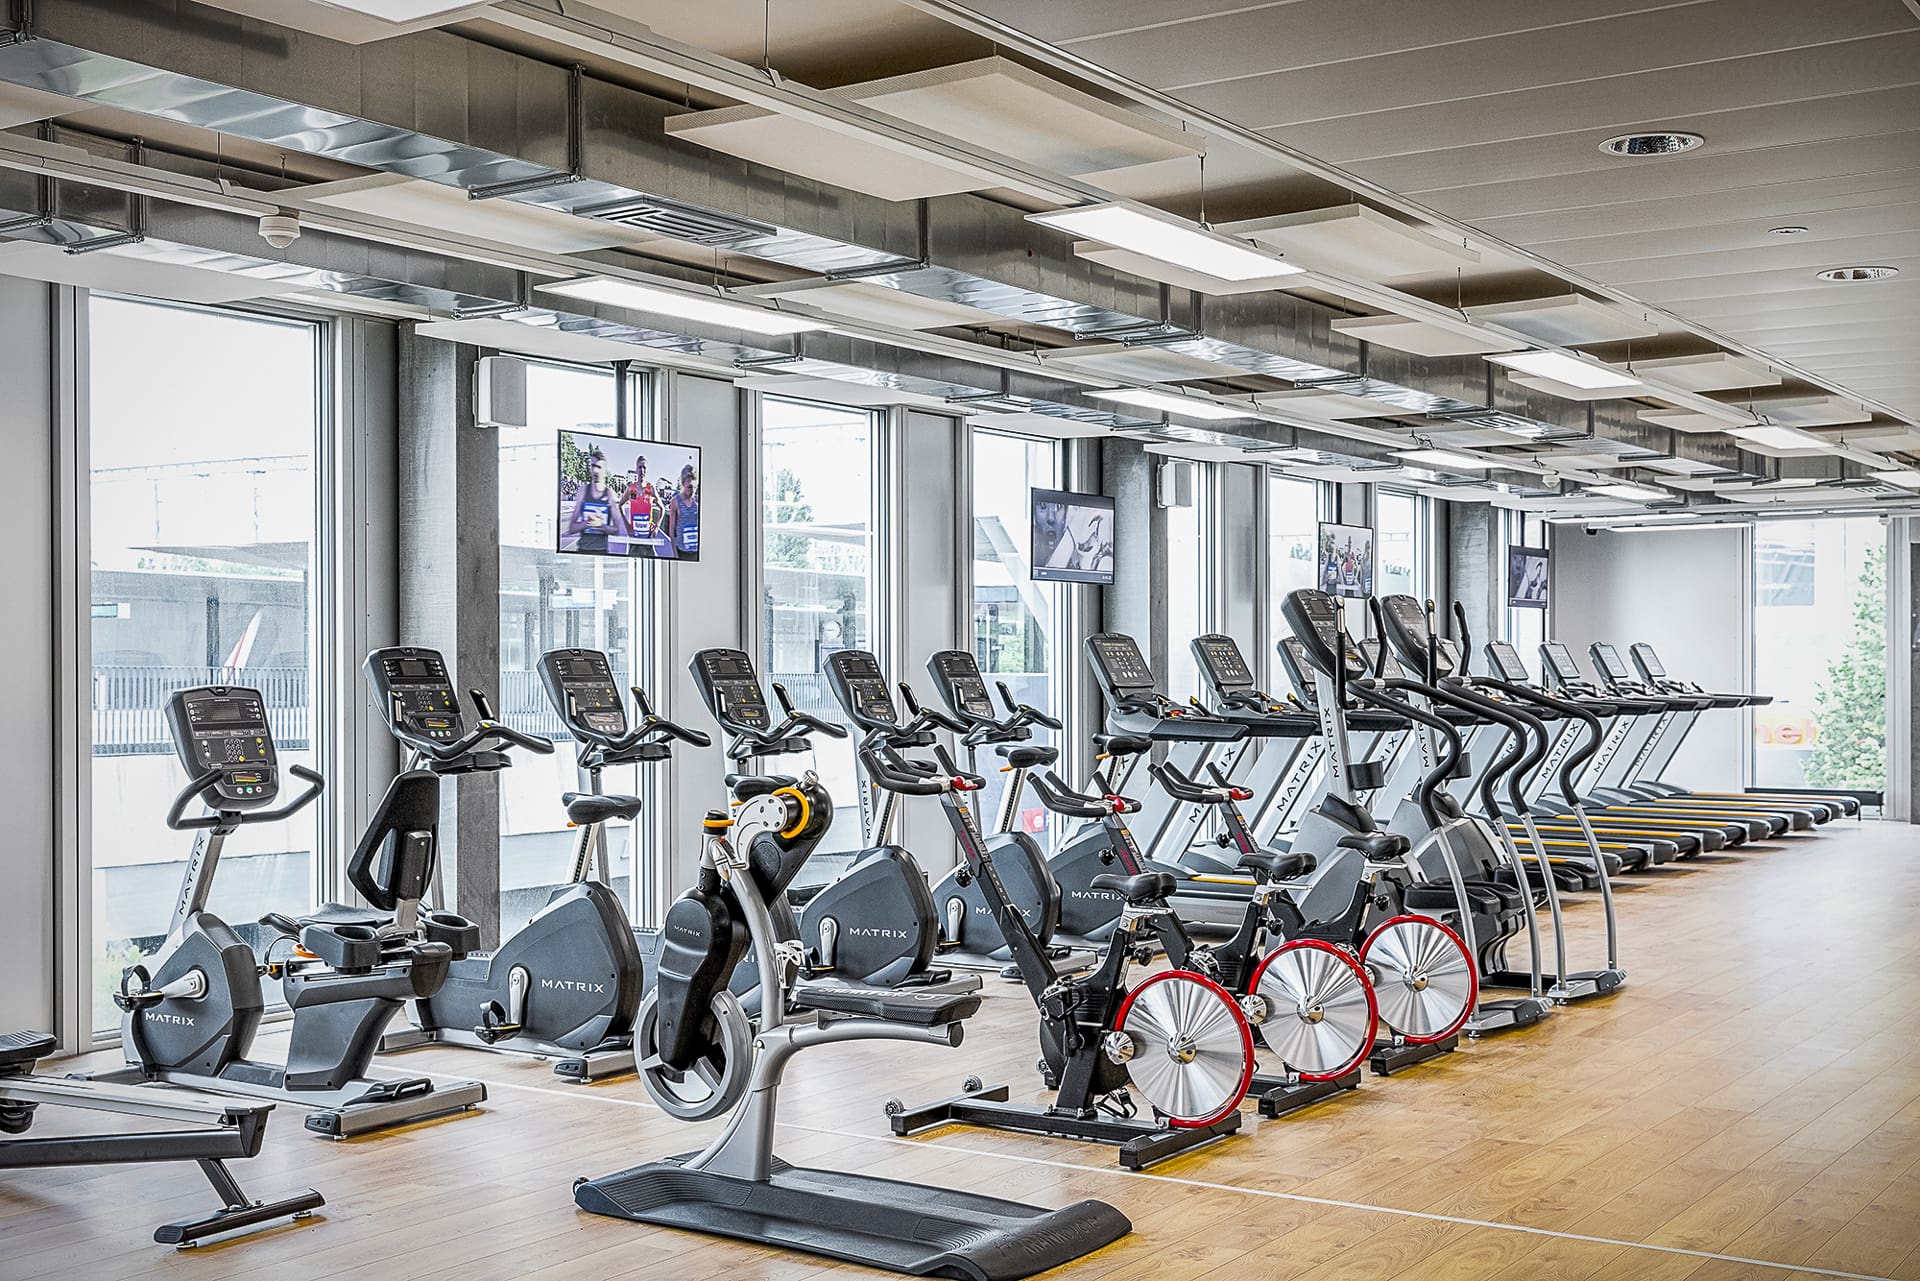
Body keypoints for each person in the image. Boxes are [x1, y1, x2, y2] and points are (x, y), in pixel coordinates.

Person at [564, 444, 630, 554]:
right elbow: (571, 528)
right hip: (582, 550)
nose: (595, 470)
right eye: (593, 466)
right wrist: (586, 523)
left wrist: (601, 526)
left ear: (604, 471)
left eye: (599, 467)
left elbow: (616, 530)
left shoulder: (609, 494)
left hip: (601, 552)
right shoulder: (583, 491)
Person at [662, 462, 700, 558]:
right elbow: (671, 530)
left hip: (696, 552)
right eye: (690, 487)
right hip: (682, 552)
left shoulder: (697, 501)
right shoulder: (676, 501)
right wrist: (675, 554)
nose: (693, 491)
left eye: (695, 487)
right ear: (683, 483)